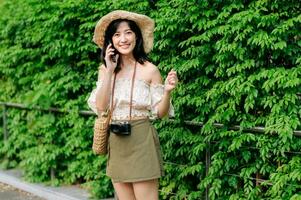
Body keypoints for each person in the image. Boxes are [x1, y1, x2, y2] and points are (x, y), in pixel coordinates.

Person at [87, 10, 178, 200]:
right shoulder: (105, 69)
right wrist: (110, 71)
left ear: (136, 36)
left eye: (128, 32)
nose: (123, 39)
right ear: (111, 41)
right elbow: (101, 107)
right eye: (117, 34)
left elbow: (160, 114)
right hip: (117, 139)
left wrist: (168, 91)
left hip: (141, 139)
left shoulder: (150, 70)